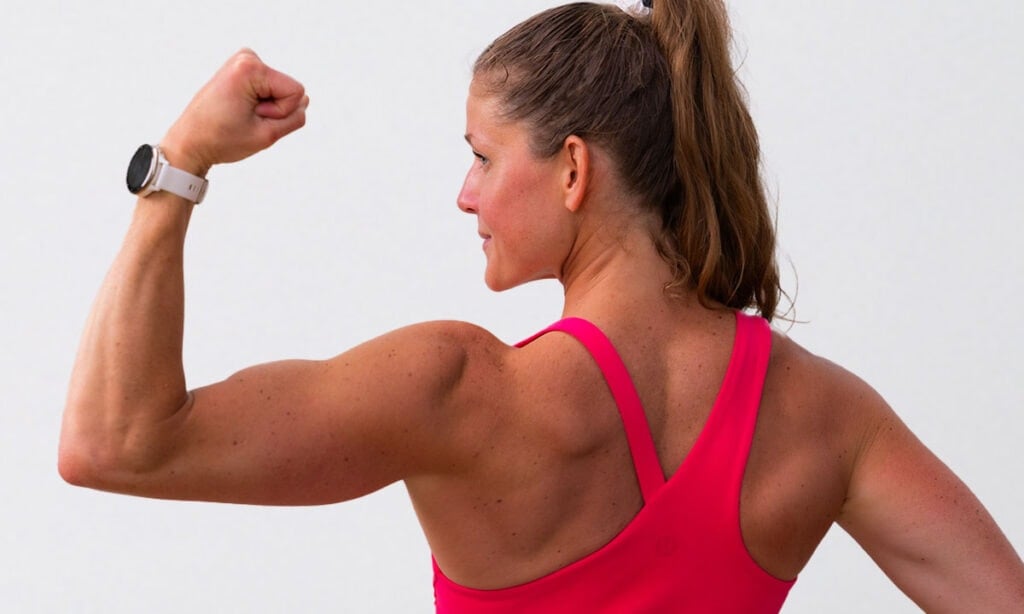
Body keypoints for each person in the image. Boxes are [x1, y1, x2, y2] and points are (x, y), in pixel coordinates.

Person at [59, 1, 1024, 611]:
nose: (465, 194)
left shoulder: (460, 391)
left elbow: (115, 442)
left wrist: (180, 161)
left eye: (481, 155)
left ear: (572, 170)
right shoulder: (824, 414)